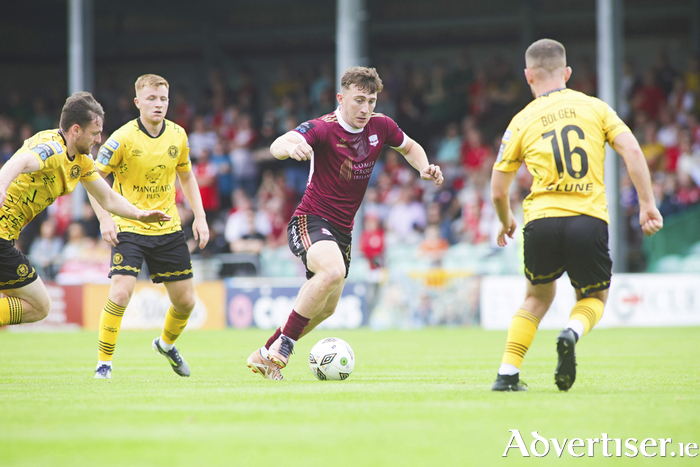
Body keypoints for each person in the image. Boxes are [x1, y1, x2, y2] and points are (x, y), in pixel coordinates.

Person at [246, 66, 443, 380]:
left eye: (372, 101)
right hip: (309, 220)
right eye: (359, 100)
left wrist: (423, 167)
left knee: (327, 309)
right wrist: (291, 147)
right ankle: (285, 344)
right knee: (333, 271)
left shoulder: (382, 126)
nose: (366, 109)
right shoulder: (323, 128)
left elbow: (410, 146)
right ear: (341, 98)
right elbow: (279, 143)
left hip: (342, 232)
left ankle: (265, 354)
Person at [490, 39, 663, 392]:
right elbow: (631, 148)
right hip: (588, 218)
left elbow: (497, 188)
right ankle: (571, 332)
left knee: (537, 297)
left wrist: (506, 218)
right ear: (567, 73)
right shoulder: (595, 108)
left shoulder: (521, 120)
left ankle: (507, 375)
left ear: (528, 76)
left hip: (540, 221)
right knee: (594, 298)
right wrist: (647, 203)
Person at [0, 92, 170, 329]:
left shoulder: (82, 160)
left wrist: (139, 214)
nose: (99, 139)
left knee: (40, 305)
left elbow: (107, 197)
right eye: (94, 133)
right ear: (76, 130)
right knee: (39, 305)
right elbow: (20, 161)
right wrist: (1, 184)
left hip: (5, 238)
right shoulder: (52, 149)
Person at [89, 74, 209, 380]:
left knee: (186, 302)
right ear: (137, 102)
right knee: (120, 294)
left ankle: (166, 345)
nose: (158, 104)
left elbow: (187, 177)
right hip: (129, 226)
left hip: (168, 227)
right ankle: (104, 365)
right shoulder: (122, 138)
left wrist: (201, 217)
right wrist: (105, 219)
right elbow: (92, 180)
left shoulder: (178, 135)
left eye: (164, 99)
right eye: (152, 99)